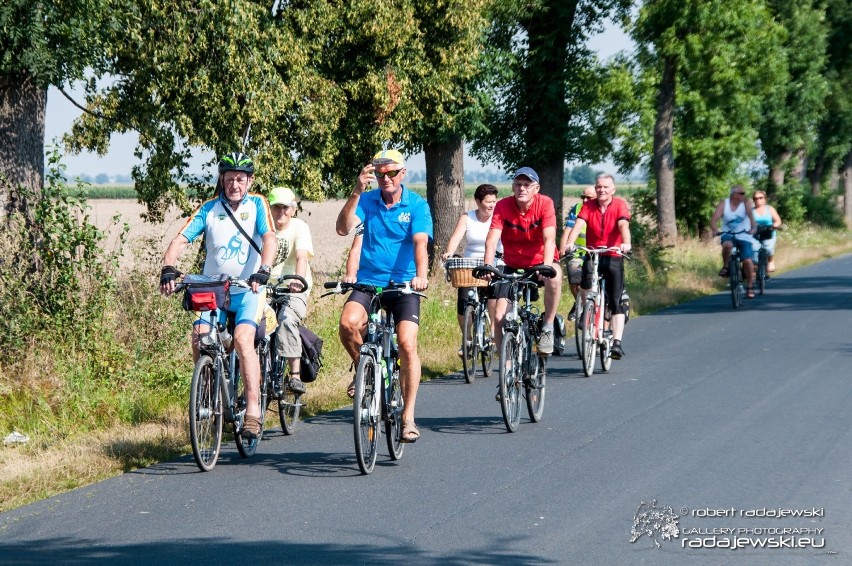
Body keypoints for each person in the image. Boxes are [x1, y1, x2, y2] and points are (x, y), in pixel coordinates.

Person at [159, 152, 277, 440]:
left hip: (248, 289)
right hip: (214, 290)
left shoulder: (258, 204)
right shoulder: (209, 209)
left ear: (249, 181)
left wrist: (264, 270)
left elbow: (270, 239)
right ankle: (211, 393)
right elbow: (179, 240)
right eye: (229, 179)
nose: (234, 184)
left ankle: (252, 413)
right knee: (200, 337)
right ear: (222, 180)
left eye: (240, 179)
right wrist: (168, 268)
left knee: (242, 339)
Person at [335, 149, 433, 443]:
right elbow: (342, 229)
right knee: (348, 324)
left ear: (403, 173)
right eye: (380, 174)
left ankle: (408, 418)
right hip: (368, 282)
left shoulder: (416, 205)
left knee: (406, 343)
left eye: (391, 173)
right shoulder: (366, 200)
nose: (385, 178)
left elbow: (420, 244)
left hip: (404, 285)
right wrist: (356, 190)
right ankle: (363, 368)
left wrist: (421, 275)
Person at [482, 167, 562, 359]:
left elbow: (549, 239)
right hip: (512, 263)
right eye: (518, 184)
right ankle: (506, 371)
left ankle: (548, 326)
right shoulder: (503, 206)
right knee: (500, 318)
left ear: (537, 188)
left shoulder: (545, 204)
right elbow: (492, 239)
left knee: (555, 276)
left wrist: (547, 265)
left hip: (540, 261)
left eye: (527, 185)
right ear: (512, 187)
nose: (522, 189)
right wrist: (487, 265)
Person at [562, 173, 632, 359]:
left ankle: (616, 342)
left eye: (605, 187)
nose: (601, 190)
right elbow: (579, 224)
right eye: (599, 186)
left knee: (616, 300)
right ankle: (588, 311)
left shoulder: (619, 205)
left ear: (613, 190)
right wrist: (569, 243)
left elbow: (623, 225)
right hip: (593, 254)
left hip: (613, 255)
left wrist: (626, 243)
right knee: (584, 283)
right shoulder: (588, 206)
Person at [441, 184, 502, 357]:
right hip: (470, 264)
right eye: (487, 202)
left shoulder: (498, 217)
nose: (491, 205)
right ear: (477, 201)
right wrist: (449, 253)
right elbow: (456, 237)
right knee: (463, 302)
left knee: (493, 297)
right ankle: (466, 338)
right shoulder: (467, 218)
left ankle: (492, 333)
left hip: (495, 262)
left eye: (494, 202)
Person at [268, 186, 313, 395]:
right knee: (251, 324)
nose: (281, 212)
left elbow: (302, 256)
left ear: (293, 209)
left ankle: (294, 375)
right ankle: (256, 381)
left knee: (286, 318)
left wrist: (298, 279)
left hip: (293, 287)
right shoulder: (263, 227)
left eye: (285, 208)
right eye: (276, 207)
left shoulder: (299, 227)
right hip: (266, 287)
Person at [710, 185, 759, 299]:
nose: (744, 195)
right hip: (728, 233)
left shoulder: (746, 202)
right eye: (741, 193)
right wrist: (715, 229)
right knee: (727, 245)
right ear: (733, 194)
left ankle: (750, 286)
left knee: (747, 260)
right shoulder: (724, 203)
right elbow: (714, 219)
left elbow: (751, 217)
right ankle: (726, 267)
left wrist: (753, 228)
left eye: (744, 193)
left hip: (744, 234)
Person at [559, 185, 597, 321]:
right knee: (574, 280)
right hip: (577, 252)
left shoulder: (602, 209)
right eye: (583, 197)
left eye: (589, 197)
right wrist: (563, 248)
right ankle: (579, 303)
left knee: (592, 282)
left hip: (595, 252)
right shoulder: (577, 208)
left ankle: (595, 309)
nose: (585, 200)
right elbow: (568, 230)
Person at [751, 190, 782, 272]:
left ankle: (771, 261)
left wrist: (774, 225)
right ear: (753, 200)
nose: (758, 200)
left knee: (768, 249)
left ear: (765, 199)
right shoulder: (751, 211)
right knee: (754, 250)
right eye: (756, 198)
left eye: (760, 198)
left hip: (768, 233)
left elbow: (778, 221)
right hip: (755, 234)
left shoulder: (770, 209)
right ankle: (758, 268)